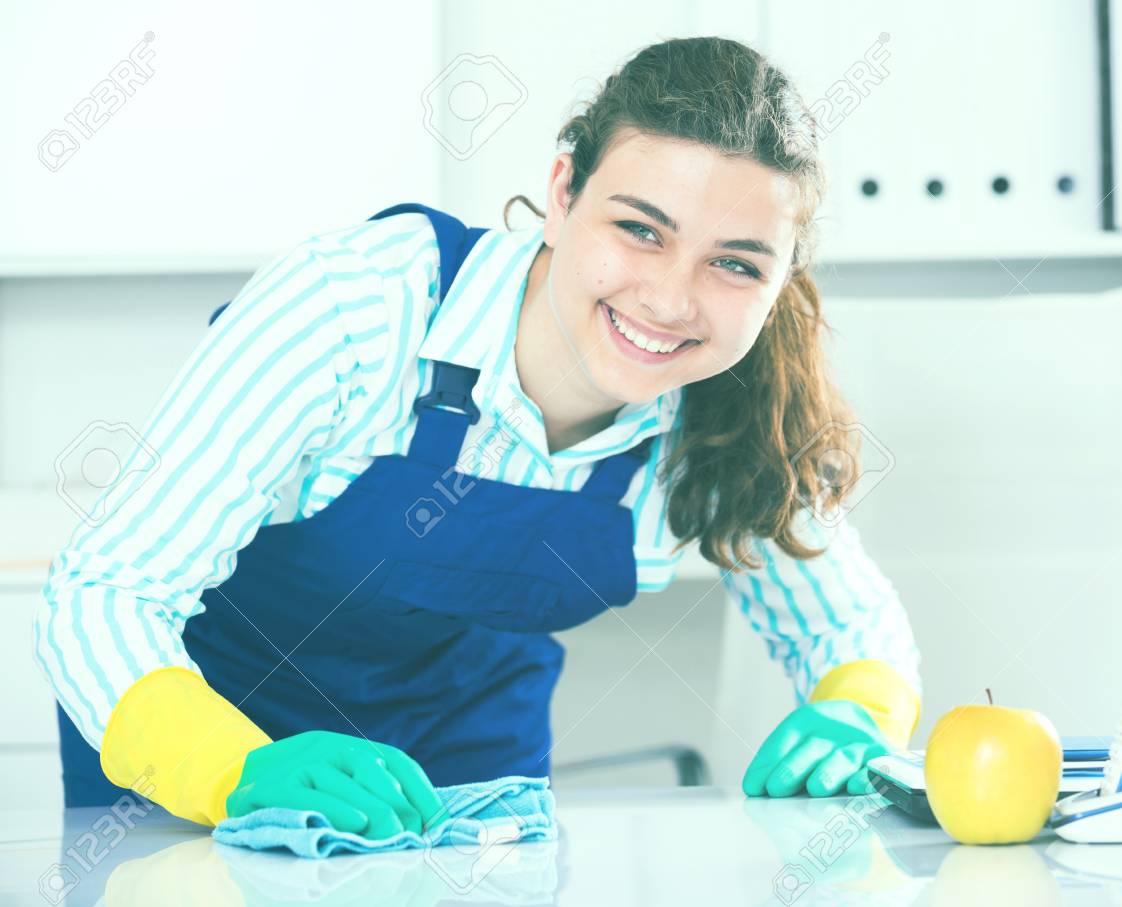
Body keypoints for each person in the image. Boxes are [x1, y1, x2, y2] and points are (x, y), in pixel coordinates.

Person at [34, 36, 922, 840]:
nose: (670, 299)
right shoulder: (353, 311)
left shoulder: (727, 420)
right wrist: (232, 771)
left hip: (466, 799)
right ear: (563, 191)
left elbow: (851, 624)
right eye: (639, 229)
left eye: (734, 262)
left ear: (778, 282)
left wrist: (858, 712)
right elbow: (103, 595)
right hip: (205, 772)